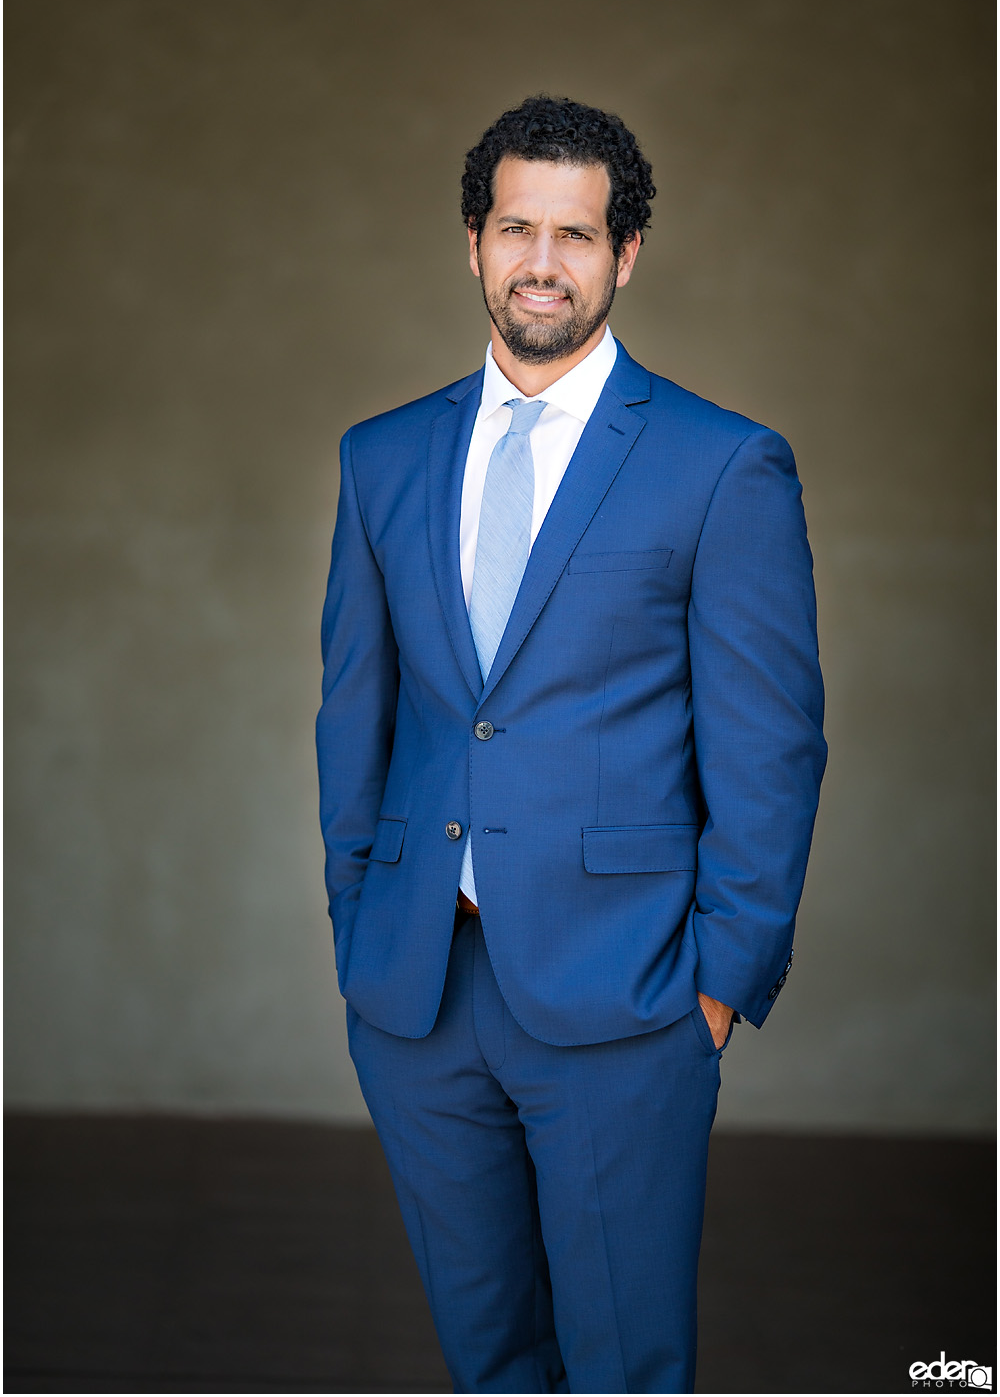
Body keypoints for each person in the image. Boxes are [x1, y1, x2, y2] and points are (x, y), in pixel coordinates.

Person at [316, 95, 826, 1394]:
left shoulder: (722, 466)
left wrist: (713, 991)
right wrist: (361, 929)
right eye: (514, 229)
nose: (542, 261)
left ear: (627, 255)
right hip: (421, 995)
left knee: (622, 1365)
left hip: (631, 997)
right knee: (489, 1356)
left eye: (576, 235)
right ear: (473, 245)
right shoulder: (383, 460)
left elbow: (772, 748)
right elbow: (356, 720)